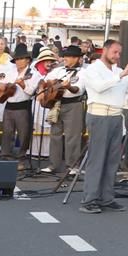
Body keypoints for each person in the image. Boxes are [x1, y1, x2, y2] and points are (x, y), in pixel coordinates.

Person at [77, 40, 128, 213]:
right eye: (114, 52)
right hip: (99, 114)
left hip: (115, 116)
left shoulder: (119, 71)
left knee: (112, 160)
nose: (117, 56)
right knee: (97, 159)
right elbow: (99, 87)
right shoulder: (91, 70)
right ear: (104, 50)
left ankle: (107, 198)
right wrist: (120, 77)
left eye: (119, 53)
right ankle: (89, 199)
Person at [45, 45, 89, 182]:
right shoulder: (58, 71)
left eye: (69, 57)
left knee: (73, 136)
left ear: (77, 59)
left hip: (74, 104)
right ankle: (54, 164)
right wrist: (48, 85)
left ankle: (73, 166)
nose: (65, 59)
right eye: (65, 56)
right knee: (55, 134)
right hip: (57, 103)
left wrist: (69, 86)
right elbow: (45, 81)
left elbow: (78, 89)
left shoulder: (83, 73)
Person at [0, 50, 40, 171]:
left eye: (21, 59)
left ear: (28, 60)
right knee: (7, 132)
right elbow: (0, 83)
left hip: (23, 106)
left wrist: (22, 84)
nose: (18, 62)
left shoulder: (33, 74)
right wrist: (0, 86)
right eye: (17, 60)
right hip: (9, 105)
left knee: (24, 133)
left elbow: (30, 92)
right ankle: (5, 156)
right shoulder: (11, 72)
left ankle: (21, 158)